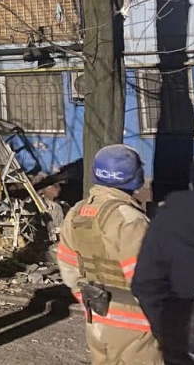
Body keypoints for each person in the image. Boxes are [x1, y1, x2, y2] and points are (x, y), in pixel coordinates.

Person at [57, 145, 162, 365]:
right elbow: (146, 280)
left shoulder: (76, 212)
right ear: (136, 177)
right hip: (135, 324)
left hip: (97, 317)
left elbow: (67, 266)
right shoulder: (130, 220)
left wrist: (87, 295)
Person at [133, 152, 194, 365]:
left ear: (192, 184)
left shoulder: (165, 220)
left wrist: (166, 328)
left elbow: (145, 285)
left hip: (183, 339)